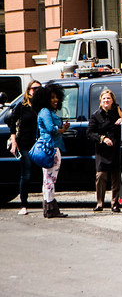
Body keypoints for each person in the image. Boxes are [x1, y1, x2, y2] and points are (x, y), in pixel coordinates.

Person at [4, 80, 42, 215]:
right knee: (26, 175)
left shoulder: (43, 106)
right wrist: (14, 141)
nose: (36, 91)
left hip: (41, 145)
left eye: (39, 88)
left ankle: (48, 203)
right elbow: (11, 122)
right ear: (28, 90)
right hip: (25, 144)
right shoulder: (22, 106)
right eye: (34, 88)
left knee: (45, 175)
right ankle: (24, 205)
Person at [33, 82, 70, 218]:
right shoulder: (45, 111)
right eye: (52, 97)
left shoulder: (45, 111)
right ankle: (50, 208)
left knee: (47, 179)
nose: (56, 100)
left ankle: (48, 207)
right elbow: (50, 128)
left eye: (57, 97)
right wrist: (60, 129)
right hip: (51, 149)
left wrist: (61, 129)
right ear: (45, 99)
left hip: (50, 147)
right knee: (50, 180)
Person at [87, 88, 122, 212]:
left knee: (116, 177)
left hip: (115, 149)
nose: (106, 100)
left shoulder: (118, 112)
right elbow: (90, 133)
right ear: (100, 101)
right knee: (101, 176)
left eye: (108, 98)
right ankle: (100, 203)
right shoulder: (96, 115)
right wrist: (102, 139)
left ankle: (115, 204)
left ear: (113, 100)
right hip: (102, 151)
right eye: (104, 98)